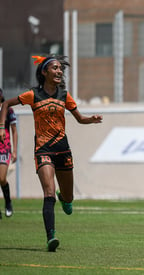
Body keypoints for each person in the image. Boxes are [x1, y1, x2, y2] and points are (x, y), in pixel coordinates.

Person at [0, 55, 103, 252]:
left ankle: (65, 198)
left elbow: (80, 119)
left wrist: (91, 119)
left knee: (68, 197)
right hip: (43, 150)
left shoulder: (64, 95)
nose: (59, 71)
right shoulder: (33, 95)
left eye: (60, 69)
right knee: (48, 193)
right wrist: (0, 128)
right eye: (55, 68)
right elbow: (5, 105)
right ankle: (51, 238)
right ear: (44, 72)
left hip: (63, 149)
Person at [0, 88, 18, 219]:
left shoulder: (8, 110)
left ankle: (8, 203)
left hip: (4, 147)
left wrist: (15, 150)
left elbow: (14, 131)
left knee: (1, 178)